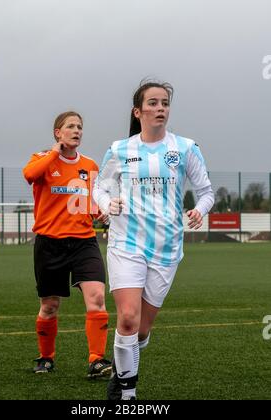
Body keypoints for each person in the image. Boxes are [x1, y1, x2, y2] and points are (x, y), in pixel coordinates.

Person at [93, 80, 215, 400]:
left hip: (167, 248)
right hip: (126, 244)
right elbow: (99, 188)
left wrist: (199, 210)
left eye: (164, 103)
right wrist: (108, 205)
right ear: (138, 111)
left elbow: (206, 192)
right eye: (153, 103)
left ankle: (121, 372)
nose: (160, 108)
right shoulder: (120, 149)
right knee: (128, 318)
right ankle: (127, 395)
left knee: (142, 330)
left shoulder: (186, 148)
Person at [23, 111, 112, 377]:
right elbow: (30, 175)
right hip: (50, 243)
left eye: (80, 127)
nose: (77, 131)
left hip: (84, 242)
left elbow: (93, 204)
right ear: (57, 132)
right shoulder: (42, 159)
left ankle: (97, 360)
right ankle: (45, 358)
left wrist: (102, 212)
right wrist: (53, 153)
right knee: (49, 306)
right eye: (70, 126)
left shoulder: (91, 165)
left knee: (96, 297)